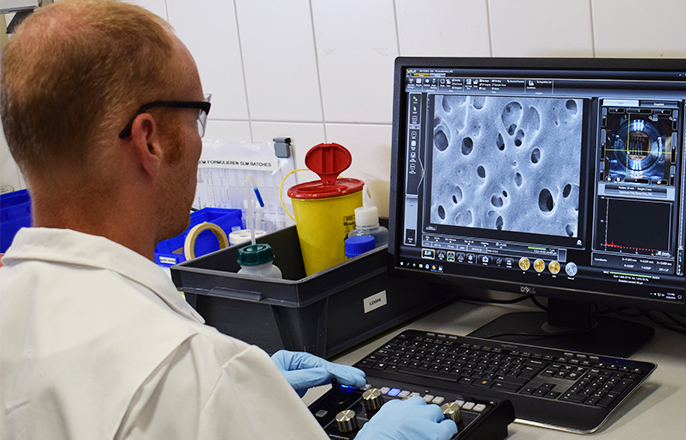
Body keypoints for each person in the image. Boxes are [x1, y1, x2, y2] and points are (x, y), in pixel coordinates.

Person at [0, 2, 457, 440]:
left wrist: (253, 394)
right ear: (149, 142)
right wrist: (231, 390)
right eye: (197, 116)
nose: (200, 142)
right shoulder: (194, 376)